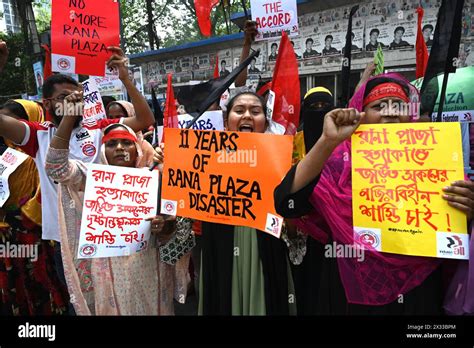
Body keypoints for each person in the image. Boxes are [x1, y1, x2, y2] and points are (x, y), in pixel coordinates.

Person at [274, 73, 474, 314]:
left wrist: (469, 210)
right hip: (353, 293)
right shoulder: (339, 163)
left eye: (398, 106)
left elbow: (458, 228)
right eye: (379, 106)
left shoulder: (438, 162)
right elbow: (287, 202)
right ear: (361, 113)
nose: (390, 112)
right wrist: (327, 141)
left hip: (419, 292)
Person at [0, 46, 154, 303]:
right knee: (81, 303)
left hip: (108, 232)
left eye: (76, 97)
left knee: (114, 300)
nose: (73, 102)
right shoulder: (38, 136)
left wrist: (125, 77)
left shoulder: (99, 129)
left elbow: (145, 118)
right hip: (65, 240)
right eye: (64, 98)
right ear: (47, 103)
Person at [45, 112, 182, 314]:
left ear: (136, 149)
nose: (119, 148)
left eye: (126, 143)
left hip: (150, 270)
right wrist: (68, 118)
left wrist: (164, 226)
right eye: (111, 144)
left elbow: (174, 232)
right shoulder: (92, 178)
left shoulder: (155, 179)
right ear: (103, 150)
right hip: (107, 273)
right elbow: (56, 168)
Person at [197, 92, 296, 315]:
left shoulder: (282, 159)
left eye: (255, 111)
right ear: (226, 121)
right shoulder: (205, 156)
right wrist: (169, 164)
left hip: (265, 246)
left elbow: (293, 218)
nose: (247, 116)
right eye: (239, 110)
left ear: (265, 122)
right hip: (221, 244)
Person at [0, 100, 68, 315]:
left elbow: (47, 194)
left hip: (39, 236)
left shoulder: (46, 152)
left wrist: (22, 216)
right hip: (7, 237)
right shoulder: (4, 153)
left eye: (14, 120)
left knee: (44, 284)